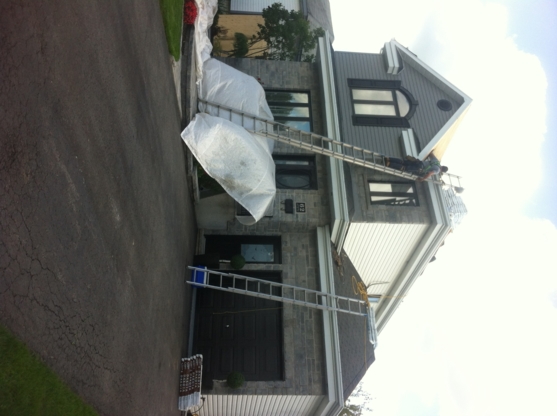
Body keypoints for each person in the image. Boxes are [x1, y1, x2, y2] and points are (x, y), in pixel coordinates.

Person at [384, 153, 448, 181]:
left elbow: (431, 154)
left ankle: (389, 159)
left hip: (419, 162)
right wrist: (422, 179)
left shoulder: (437, 161)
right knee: (404, 168)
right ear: (442, 171)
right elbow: (429, 173)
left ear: (442, 165)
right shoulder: (437, 170)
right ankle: (389, 164)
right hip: (420, 168)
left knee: (403, 162)